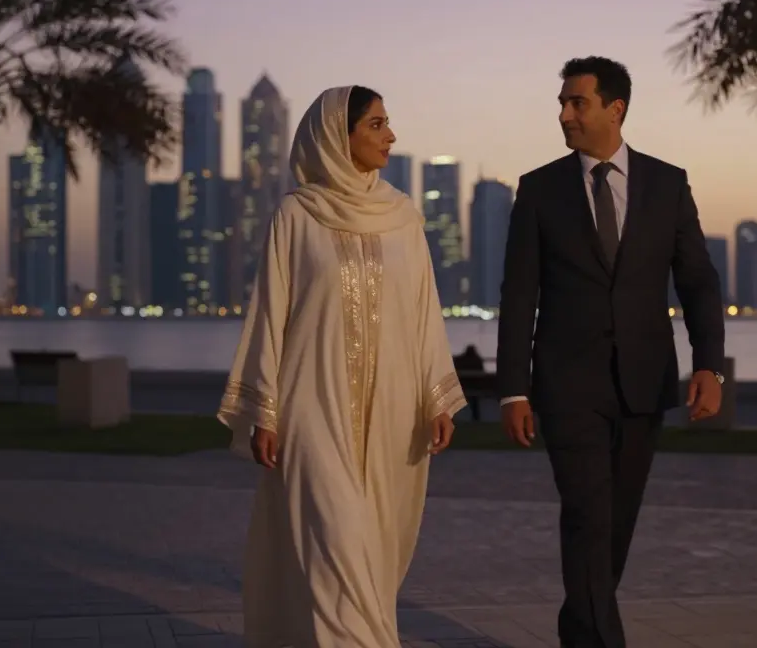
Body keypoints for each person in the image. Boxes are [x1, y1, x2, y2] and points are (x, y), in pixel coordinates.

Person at [217, 85, 467, 647]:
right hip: (312, 410)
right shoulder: (296, 216)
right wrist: (265, 409)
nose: (390, 135)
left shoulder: (404, 218)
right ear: (339, 135)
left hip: (394, 414)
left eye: (387, 122)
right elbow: (270, 313)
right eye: (376, 124)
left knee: (371, 555)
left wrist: (437, 397)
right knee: (336, 543)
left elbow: (425, 313)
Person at [496, 57, 726, 647]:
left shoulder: (667, 183)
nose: (564, 114)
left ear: (614, 109)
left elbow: (697, 279)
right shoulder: (540, 189)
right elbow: (520, 293)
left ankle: (581, 625)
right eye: (563, 103)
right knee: (588, 515)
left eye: (577, 102)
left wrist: (708, 364)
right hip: (567, 385)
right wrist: (514, 388)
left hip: (644, 383)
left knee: (615, 523)